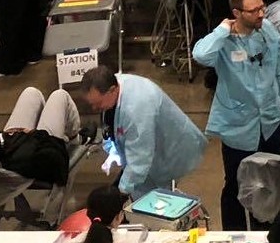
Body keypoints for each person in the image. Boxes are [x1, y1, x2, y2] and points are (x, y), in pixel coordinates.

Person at [191, 0, 280, 228]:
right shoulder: (224, 41)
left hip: (270, 121)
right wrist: (222, 29)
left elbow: (279, 67)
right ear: (237, 13)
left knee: (269, 181)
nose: (261, 14)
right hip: (239, 125)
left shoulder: (267, 30)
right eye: (253, 10)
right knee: (235, 183)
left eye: (262, 7)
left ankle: (263, 230)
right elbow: (201, 55)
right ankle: (235, 233)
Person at [81, 65, 206, 200]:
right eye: (91, 104)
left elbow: (139, 159)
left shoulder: (137, 109)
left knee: (154, 204)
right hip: (147, 152)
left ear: (112, 90)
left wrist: (121, 193)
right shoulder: (111, 85)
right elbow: (112, 128)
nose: (95, 108)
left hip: (169, 150)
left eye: (98, 104)